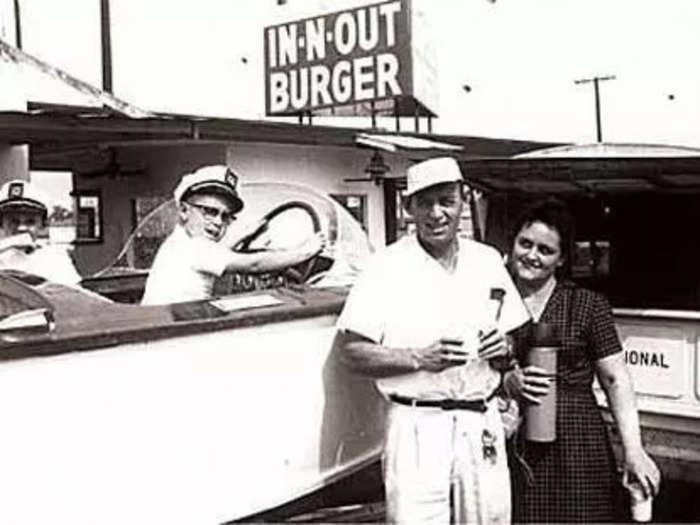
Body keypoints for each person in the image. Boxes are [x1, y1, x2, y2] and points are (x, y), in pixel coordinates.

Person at [337, 156, 530, 524]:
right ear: (408, 207)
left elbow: (512, 343)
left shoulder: (486, 260)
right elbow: (351, 353)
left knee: (489, 519)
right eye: (424, 202)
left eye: (446, 200)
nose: (436, 213)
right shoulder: (385, 267)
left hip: (480, 420)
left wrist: (504, 349)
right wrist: (418, 358)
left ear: (463, 201)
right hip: (417, 425)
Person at [502, 198, 661, 523]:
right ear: (513, 244)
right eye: (525, 243)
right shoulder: (494, 301)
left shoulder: (588, 305)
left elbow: (616, 379)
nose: (532, 255)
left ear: (561, 260)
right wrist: (507, 382)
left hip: (577, 439)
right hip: (510, 438)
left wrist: (634, 450)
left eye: (545, 250)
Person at [141, 164, 324, 305]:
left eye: (226, 216)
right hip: (175, 335)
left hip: (171, 324)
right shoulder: (194, 248)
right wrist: (305, 252)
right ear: (183, 210)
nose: (219, 222)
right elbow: (254, 264)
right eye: (209, 212)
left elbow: (217, 251)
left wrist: (245, 234)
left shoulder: (181, 241)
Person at [0, 178, 82, 286]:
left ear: (42, 225)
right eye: (13, 221)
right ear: (1, 224)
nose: (22, 227)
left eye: (30, 222)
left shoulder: (54, 258)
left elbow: (76, 295)